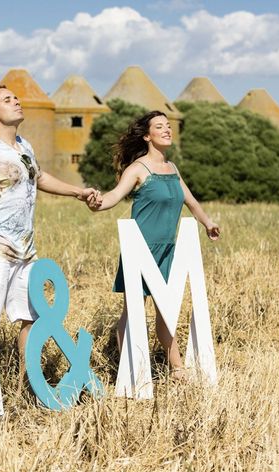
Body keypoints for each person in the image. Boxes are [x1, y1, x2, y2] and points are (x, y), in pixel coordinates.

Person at [0, 85, 100, 390]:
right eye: (7, 100)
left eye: (16, 98)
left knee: (31, 320)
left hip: (25, 251)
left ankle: (30, 386)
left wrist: (78, 192)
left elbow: (39, 177)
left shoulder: (24, 146)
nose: (16, 101)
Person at [88, 110, 220, 379]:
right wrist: (97, 203)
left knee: (167, 310)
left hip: (169, 250)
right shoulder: (138, 169)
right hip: (141, 248)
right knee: (133, 310)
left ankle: (177, 367)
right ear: (148, 136)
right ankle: (130, 368)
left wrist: (207, 223)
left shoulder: (172, 169)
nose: (167, 130)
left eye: (169, 126)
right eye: (160, 127)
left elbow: (190, 200)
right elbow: (114, 195)